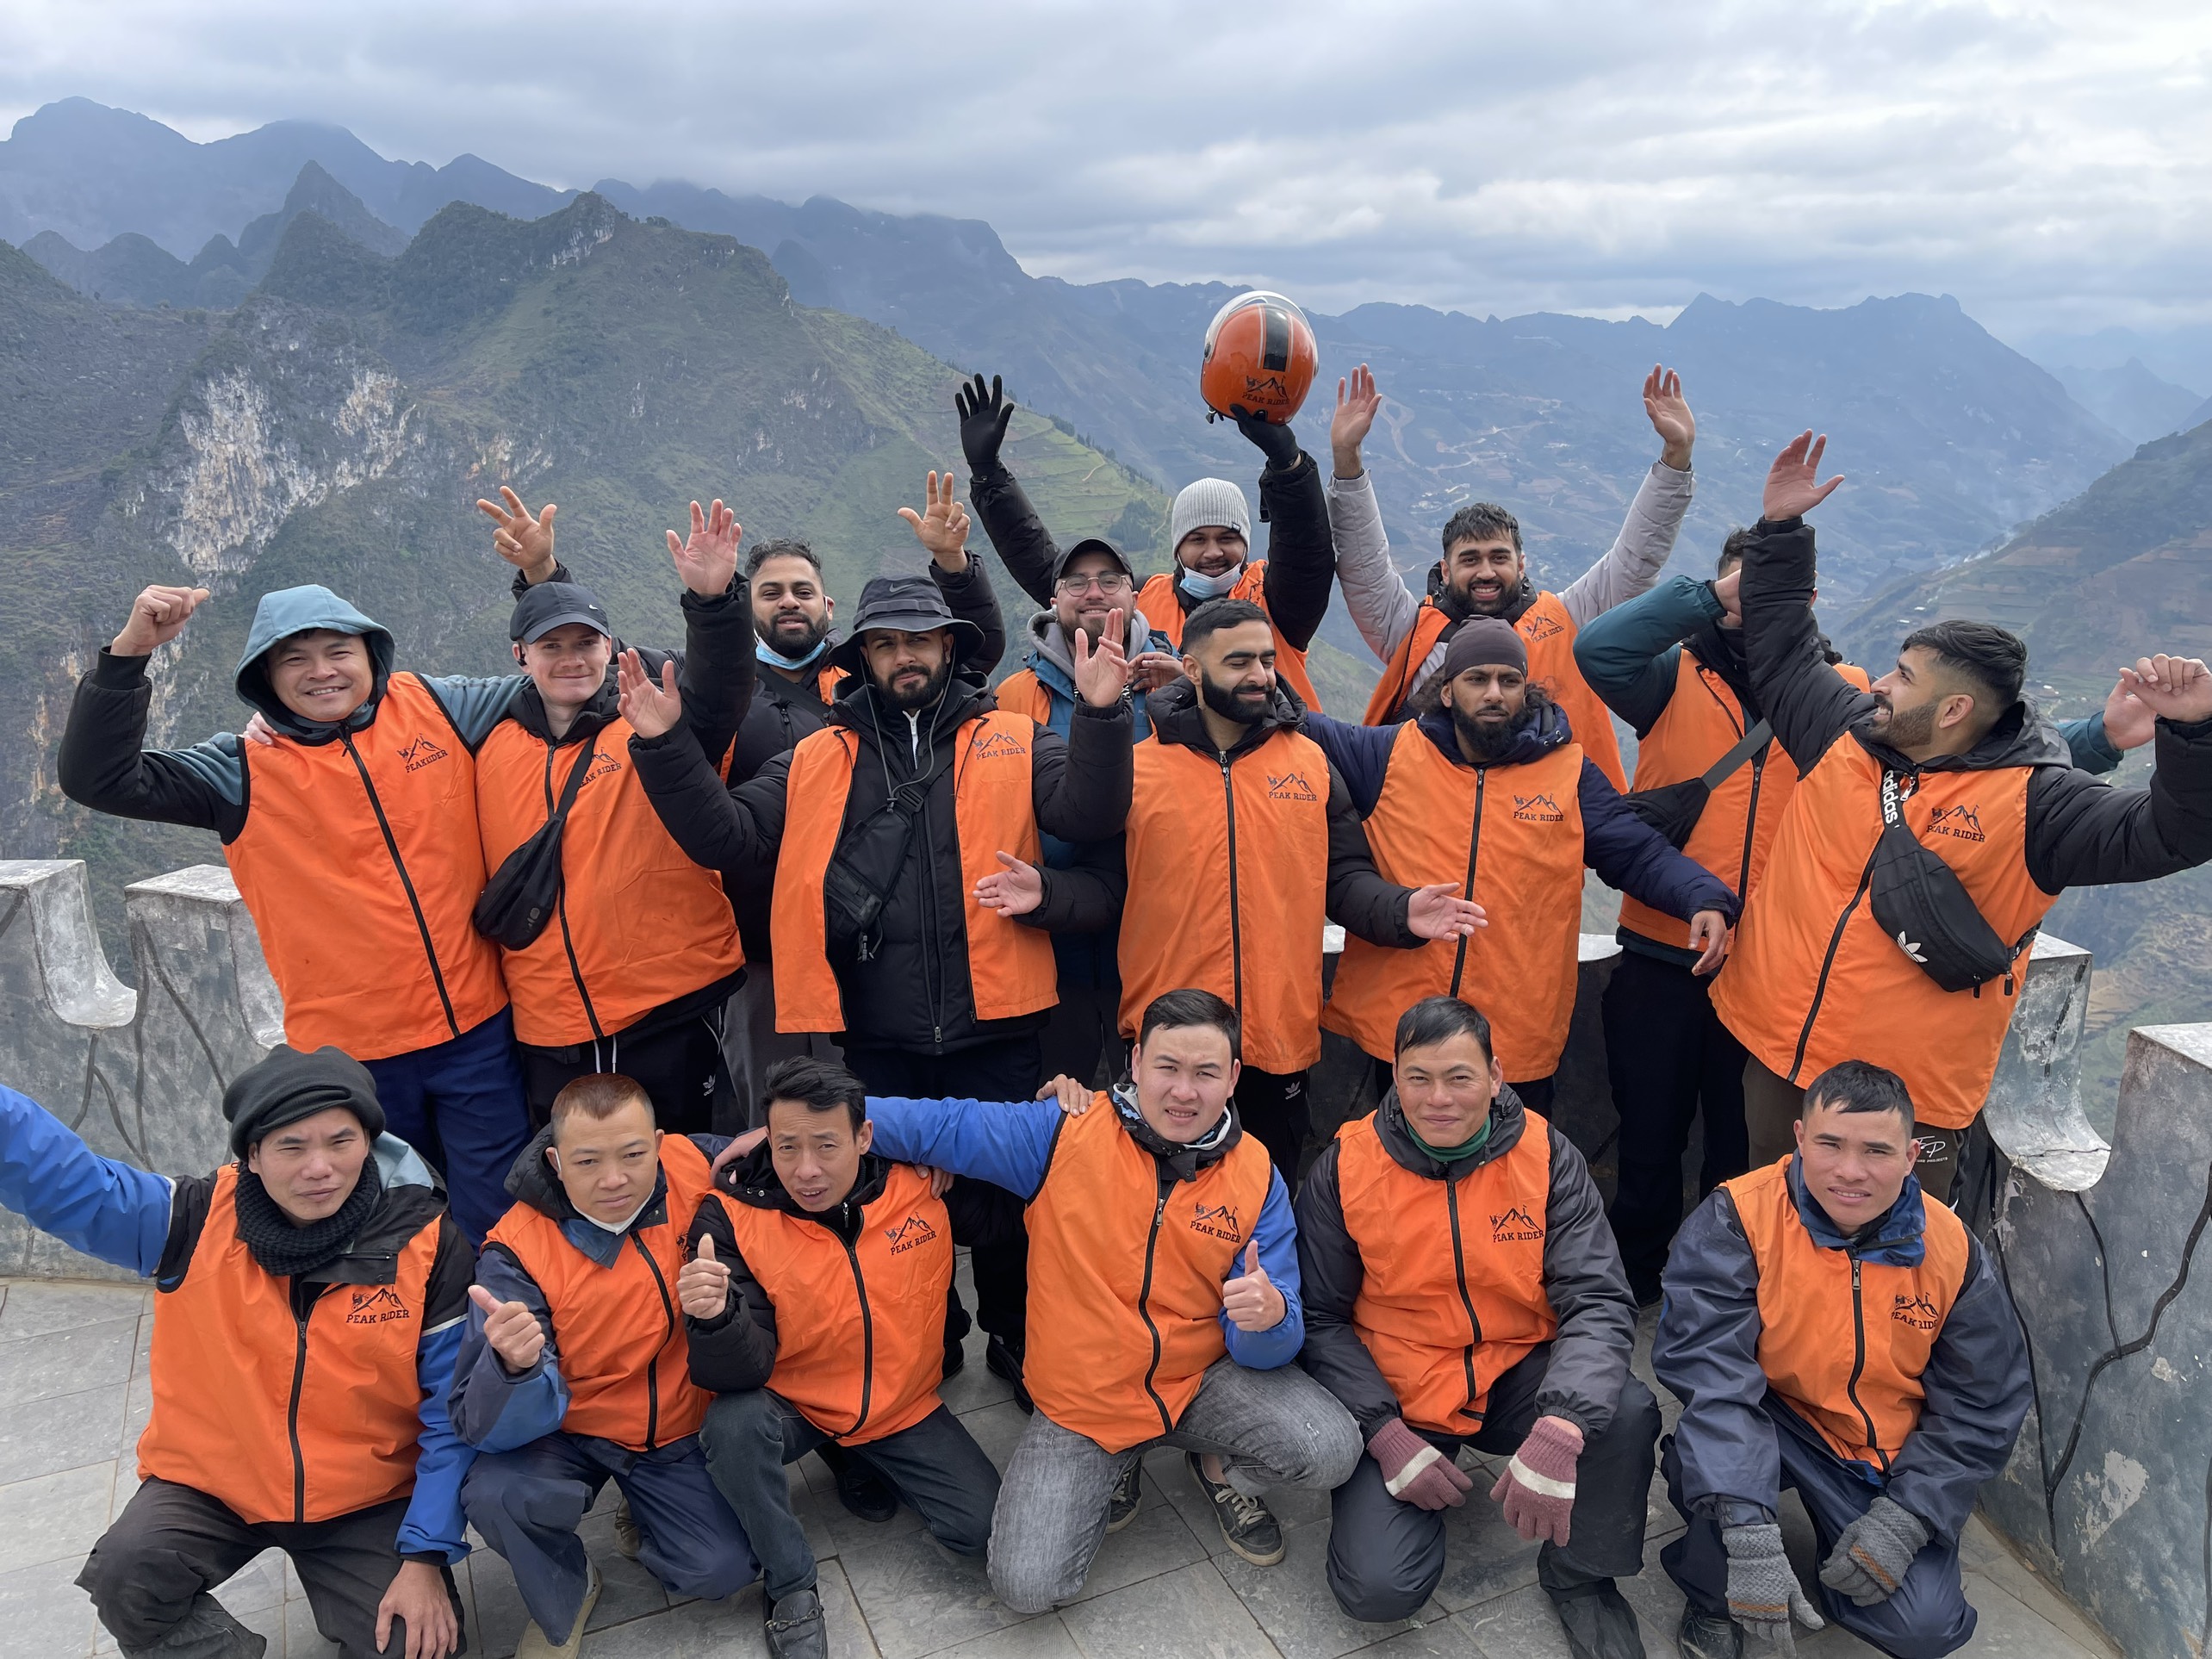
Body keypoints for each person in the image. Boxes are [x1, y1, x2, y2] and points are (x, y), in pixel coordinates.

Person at [618, 470, 1134, 1427]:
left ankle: (1018, 1340)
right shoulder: (818, 756)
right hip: (876, 1035)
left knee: (1015, 1208)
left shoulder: (1013, 738)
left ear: (950, 649)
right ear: (862, 656)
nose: (905, 656)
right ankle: (923, 1353)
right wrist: (662, 744)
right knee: (896, 1209)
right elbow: (727, 837)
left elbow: (1091, 812)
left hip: (999, 1027)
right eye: (887, 642)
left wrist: (1101, 716)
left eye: (920, 640)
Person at [1574, 537, 2145, 1300]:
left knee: (1744, 1156)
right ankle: (1642, 1287)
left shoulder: (1845, 697)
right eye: (1739, 586)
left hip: (1774, 973)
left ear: (1803, 602)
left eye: (1769, 589)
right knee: (1649, 1137)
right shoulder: (1673, 677)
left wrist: (2099, 740)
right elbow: (1599, 650)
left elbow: (1966, 754)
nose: (1753, 601)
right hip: (1666, 949)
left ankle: (1730, 1294)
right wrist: (1711, 599)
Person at [1711, 432, 2212, 1200]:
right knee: (1768, 1231)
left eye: (1902, 676)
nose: (1879, 684)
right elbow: (1781, 649)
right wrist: (1781, 530)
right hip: (1781, 1060)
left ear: (1952, 710)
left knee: (1894, 1255)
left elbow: (2172, 834)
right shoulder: (1845, 732)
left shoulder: (2039, 803)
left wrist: (2194, 733)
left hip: (1907, 1102)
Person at [835, 990, 1364, 1611]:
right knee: (1027, 1587)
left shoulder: (1256, 1171)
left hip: (1197, 1381)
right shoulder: (1063, 1131)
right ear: (1135, 1063)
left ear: (1233, 1078)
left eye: (1205, 1073)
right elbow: (941, 1125)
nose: (1184, 1092)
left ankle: (1218, 1468)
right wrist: (810, 1126)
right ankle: (1120, 1459)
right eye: (1167, 1067)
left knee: (1332, 1449)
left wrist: (1269, 1320)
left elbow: (1271, 1342)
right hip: (1085, 1403)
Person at [59, 581, 533, 1242]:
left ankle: (494, 1312)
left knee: (500, 1214)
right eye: (294, 660)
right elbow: (98, 779)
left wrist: (541, 577)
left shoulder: (435, 707)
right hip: (352, 1055)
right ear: (266, 679)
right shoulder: (240, 771)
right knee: (387, 1227)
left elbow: (561, 678)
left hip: (476, 1032)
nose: (321, 672)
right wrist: (129, 655)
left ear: (371, 655)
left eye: (338, 652)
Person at [0, 1047, 474, 1659]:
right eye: (291, 1147)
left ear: (369, 1141)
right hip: (215, 1487)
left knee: (417, 1646)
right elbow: (65, 1183)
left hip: (368, 1498)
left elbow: (451, 1413)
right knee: (126, 1577)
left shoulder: (427, 1243)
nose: (320, 1168)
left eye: (341, 1141)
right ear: (252, 1155)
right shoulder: (188, 1221)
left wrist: (425, 1556)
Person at [1297, 997, 1658, 1659]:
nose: (1438, 1099)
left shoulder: (1547, 1155)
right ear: (1395, 1076)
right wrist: (1381, 1433)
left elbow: (1598, 1299)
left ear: (1495, 1076)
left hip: (1517, 1372)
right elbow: (1319, 1319)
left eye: (1459, 1077)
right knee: (1377, 1590)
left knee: (1624, 1409)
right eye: (1419, 1078)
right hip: (1400, 1390)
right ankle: (1405, 1485)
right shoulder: (1345, 1166)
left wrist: (1563, 1424)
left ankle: (1582, 1578)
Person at [1086, 598, 1486, 1180]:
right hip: (1172, 1045)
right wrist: (1044, 895)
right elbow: (1102, 887)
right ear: (1192, 670)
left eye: (1267, 660)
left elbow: (1343, 880)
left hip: (1278, 1037)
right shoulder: (1139, 768)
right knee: (1159, 1201)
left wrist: (1402, 910)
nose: (1259, 675)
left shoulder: (1311, 763)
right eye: (1238, 662)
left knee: (1269, 1198)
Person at [1654, 1060, 2030, 1659]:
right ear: (1800, 1139)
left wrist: (1908, 1517)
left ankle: (1841, 1562)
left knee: (1924, 1627)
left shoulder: (1951, 1247)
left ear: (1911, 1157)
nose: (1850, 1171)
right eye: (1830, 1144)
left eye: (1877, 1151)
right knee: (1712, 1468)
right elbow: (1710, 1374)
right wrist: (1749, 1534)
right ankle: (1713, 1589)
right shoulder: (1739, 1218)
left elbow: (1983, 1402)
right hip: (1773, 1413)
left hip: (1878, 1447)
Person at [1310, 618, 1737, 1118]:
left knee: (1519, 1161)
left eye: (1509, 680)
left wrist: (1701, 895)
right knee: (1401, 1161)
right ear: (1446, 692)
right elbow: (1292, 719)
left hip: (1514, 1032)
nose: (1494, 693)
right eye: (1477, 679)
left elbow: (1636, 852)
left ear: (1525, 689)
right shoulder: (1386, 754)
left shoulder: (1568, 772)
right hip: (1407, 1030)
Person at [680, 1057, 1003, 1659]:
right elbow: (743, 1373)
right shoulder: (729, 1217)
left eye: (827, 1145)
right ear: (767, 1140)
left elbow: (1014, 1205)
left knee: (983, 1531)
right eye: (787, 1147)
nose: (806, 1170)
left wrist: (968, 1156)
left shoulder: (921, 1183)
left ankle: (857, 1453)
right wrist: (716, 1319)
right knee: (733, 1424)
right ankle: (790, 1586)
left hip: (901, 1405)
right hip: (797, 1401)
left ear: (864, 1136)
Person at [472, 494, 758, 1132]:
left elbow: (721, 689)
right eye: (551, 646)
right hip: (551, 1021)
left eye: (586, 642)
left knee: (689, 1165)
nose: (571, 658)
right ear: (520, 656)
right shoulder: (489, 746)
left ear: (610, 647)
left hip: (671, 1005)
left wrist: (713, 601)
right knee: (577, 1173)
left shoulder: (651, 721)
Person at [452, 1074, 758, 1659]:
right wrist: (512, 1368)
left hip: (674, 1425)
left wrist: (915, 1160)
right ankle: (568, 1589)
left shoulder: (695, 1163)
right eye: (587, 1161)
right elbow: (477, 1423)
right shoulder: (514, 1252)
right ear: (556, 1162)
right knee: (498, 1493)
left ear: (660, 1144)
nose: (614, 1179)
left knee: (725, 1569)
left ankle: (645, 1514)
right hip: (569, 1429)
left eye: (633, 1155)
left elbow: (788, 1147)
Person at [1327, 363, 1699, 786]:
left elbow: (1635, 560)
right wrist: (1347, 459)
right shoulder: (1412, 635)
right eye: (1470, 560)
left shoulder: (1568, 619)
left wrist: (1676, 457)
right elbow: (1364, 565)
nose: (1486, 572)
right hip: (1432, 819)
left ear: (1522, 565)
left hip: (1561, 820)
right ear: (1445, 570)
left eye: (1499, 557)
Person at [957, 370, 1337, 710]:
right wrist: (989, 477)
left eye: (1227, 538)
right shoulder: (1144, 600)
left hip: (1280, 762)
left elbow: (1305, 551)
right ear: (1177, 548)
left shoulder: (1276, 600)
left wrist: (1287, 464)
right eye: (1197, 539)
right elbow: (1050, 573)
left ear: (1246, 545)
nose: (1213, 552)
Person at [989, 531, 1171, 1086]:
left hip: (1156, 943)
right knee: (1054, 1106)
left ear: (1134, 594)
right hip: (1047, 939)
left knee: (1156, 1105)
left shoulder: (1170, 684)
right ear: (1054, 600)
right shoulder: (1015, 694)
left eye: (1110, 580)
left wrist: (1192, 691)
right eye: (1077, 582)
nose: (1094, 592)